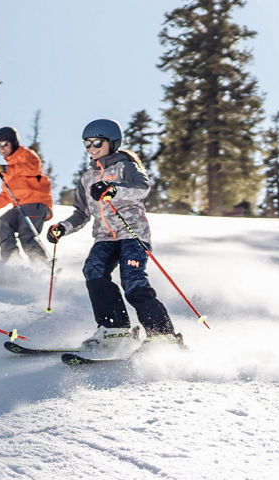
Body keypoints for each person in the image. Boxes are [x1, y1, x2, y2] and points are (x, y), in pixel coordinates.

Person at [46, 118, 183, 356]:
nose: (92, 149)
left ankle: (162, 334)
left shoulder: (126, 166)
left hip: (132, 234)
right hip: (104, 239)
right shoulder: (87, 178)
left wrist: (113, 189)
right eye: (87, 144)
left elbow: (142, 188)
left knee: (132, 280)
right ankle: (115, 329)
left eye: (97, 142)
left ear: (112, 142)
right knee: (93, 271)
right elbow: (81, 213)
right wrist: (63, 228)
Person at [0, 126, 53, 261]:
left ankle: (44, 267)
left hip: (36, 203)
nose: (1, 148)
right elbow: (6, 194)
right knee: (3, 223)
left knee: (26, 235)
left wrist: (5, 169)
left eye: (4, 144)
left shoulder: (26, 154)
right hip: (19, 207)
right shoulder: (8, 168)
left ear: (13, 142)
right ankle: (12, 264)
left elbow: (33, 168)